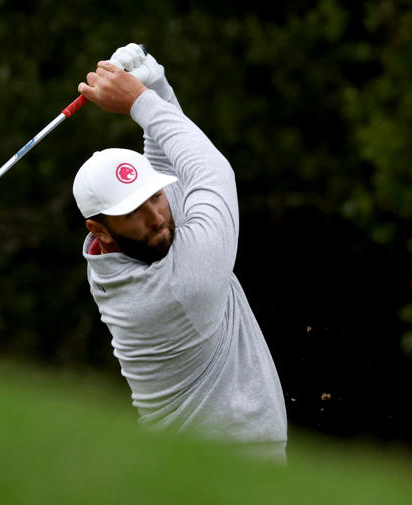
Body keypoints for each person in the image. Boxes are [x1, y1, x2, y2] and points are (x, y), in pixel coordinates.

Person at [73, 43, 287, 462]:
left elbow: (170, 160)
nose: (155, 216)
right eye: (133, 212)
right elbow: (211, 171)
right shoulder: (178, 285)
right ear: (99, 229)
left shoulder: (120, 252)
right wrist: (139, 100)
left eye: (154, 197)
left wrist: (155, 85)